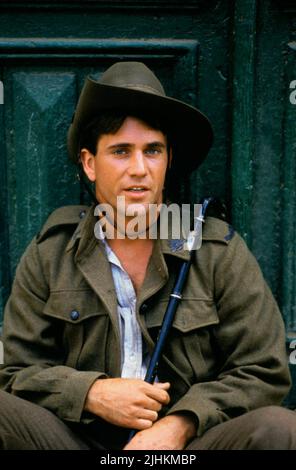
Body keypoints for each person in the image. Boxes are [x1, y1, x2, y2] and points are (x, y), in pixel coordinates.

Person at [0, 61, 295, 451]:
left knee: (280, 428)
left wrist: (181, 424)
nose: (139, 169)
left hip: (184, 450)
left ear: (168, 159)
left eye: (152, 150)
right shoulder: (52, 252)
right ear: (90, 163)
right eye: (121, 151)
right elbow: (16, 372)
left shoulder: (212, 247)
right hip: (76, 441)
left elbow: (264, 370)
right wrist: (92, 393)